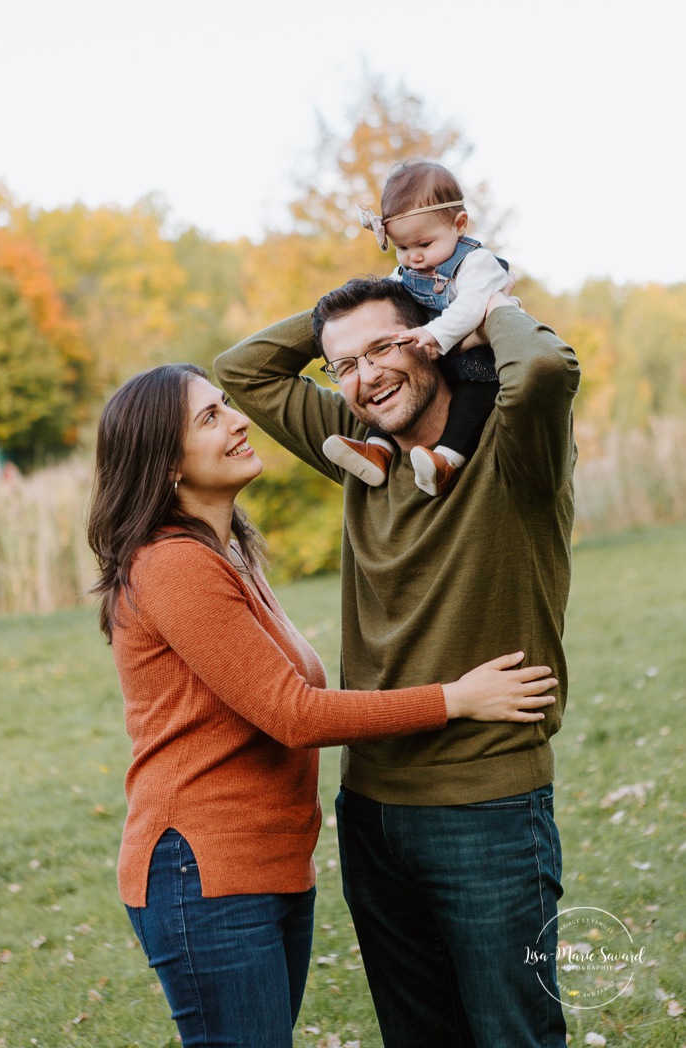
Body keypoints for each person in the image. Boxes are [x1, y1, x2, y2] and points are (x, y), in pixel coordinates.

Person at [86, 361, 559, 1048]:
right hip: (203, 872)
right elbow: (295, 714)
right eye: (210, 417)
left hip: (263, 867)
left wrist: (418, 297)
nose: (238, 419)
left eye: (227, 404)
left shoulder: (227, 554)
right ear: (165, 467)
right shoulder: (173, 566)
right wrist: (455, 699)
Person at [215, 281, 581, 1047]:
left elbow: (544, 367)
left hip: (485, 808)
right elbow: (243, 370)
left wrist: (475, 301)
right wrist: (392, 296)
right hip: (372, 811)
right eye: (341, 364)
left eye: (383, 347)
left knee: (513, 1033)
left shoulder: (514, 451)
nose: (364, 377)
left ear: (434, 343)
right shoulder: (360, 454)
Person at [323, 160, 510, 496]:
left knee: (475, 393)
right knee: (383, 392)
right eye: (403, 248)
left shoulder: (476, 263)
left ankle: (447, 460)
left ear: (459, 224)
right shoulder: (407, 271)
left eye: (424, 245)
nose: (414, 259)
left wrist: (435, 334)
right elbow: (380, 301)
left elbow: (470, 306)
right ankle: (378, 452)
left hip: (474, 356)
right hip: (427, 354)